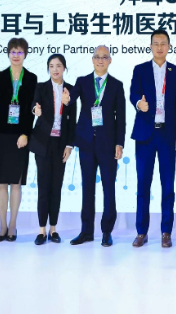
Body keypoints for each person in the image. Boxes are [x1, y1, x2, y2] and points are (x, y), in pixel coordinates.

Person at [62, 46, 126, 247]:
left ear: (110, 60)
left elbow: (121, 117)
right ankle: (86, 231)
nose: (100, 60)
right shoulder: (82, 81)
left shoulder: (116, 85)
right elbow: (71, 98)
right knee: (87, 189)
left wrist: (119, 143)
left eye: (104, 57)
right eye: (97, 57)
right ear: (92, 60)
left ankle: (107, 231)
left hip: (108, 144)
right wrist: (67, 99)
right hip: (86, 143)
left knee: (109, 189)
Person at [130, 29, 176, 248]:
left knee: (168, 185)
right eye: (156, 43)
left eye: (163, 43)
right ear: (151, 46)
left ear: (169, 46)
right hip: (145, 134)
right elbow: (133, 93)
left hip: (167, 135)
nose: (160, 47)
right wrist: (138, 103)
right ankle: (141, 232)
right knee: (143, 184)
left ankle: (166, 232)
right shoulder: (140, 69)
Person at [0, 38, 37, 242]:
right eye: (13, 52)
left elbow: (31, 109)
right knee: (1, 182)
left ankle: (13, 226)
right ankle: (2, 226)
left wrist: (26, 134)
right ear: (8, 53)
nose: (16, 55)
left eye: (20, 52)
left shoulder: (32, 78)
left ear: (25, 54)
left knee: (16, 183)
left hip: (19, 136)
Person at [29, 54, 77, 245]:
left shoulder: (71, 90)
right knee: (44, 187)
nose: (55, 69)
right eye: (51, 66)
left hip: (60, 144)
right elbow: (33, 105)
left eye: (58, 66)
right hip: (43, 142)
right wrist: (35, 110)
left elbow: (72, 120)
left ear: (64, 68)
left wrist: (69, 145)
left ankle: (53, 229)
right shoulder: (40, 87)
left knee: (56, 187)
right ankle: (41, 230)